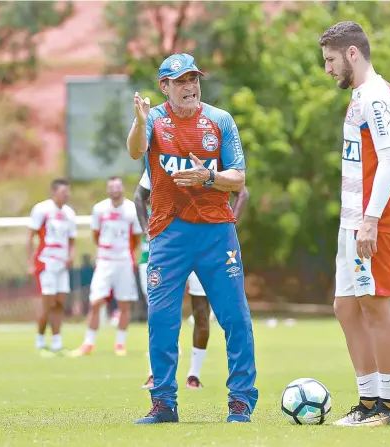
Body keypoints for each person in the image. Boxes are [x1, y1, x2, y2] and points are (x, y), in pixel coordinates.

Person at [127, 53, 257, 424]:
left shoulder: (220, 120)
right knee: (162, 319)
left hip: (217, 231)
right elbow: (136, 149)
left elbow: (239, 179)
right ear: (164, 87)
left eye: (193, 79)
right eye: (180, 81)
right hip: (169, 233)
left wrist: (209, 178)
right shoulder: (152, 119)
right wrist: (139, 122)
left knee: (234, 317)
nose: (190, 87)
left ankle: (241, 403)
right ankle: (164, 404)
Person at [319, 21, 390, 426]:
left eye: (331, 60)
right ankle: (368, 402)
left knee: (376, 309)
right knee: (346, 308)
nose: (328, 69)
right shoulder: (360, 96)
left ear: (352, 54)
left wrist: (370, 221)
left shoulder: (376, 96)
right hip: (353, 220)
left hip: (374, 221)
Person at [135, 168, 250, 390]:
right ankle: (155, 376)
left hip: (208, 245)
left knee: (202, 313)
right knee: (162, 314)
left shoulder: (213, 157)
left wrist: (229, 224)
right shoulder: (161, 157)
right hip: (170, 247)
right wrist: (147, 231)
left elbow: (242, 191)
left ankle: (194, 375)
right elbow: (139, 195)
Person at [70, 177, 142, 357]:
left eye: (117, 187)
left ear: (122, 188)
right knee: (95, 301)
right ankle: (89, 343)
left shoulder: (131, 209)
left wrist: (126, 253)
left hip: (124, 259)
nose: (115, 190)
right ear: (108, 189)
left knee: (124, 303)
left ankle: (120, 343)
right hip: (104, 260)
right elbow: (96, 234)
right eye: (111, 187)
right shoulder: (99, 209)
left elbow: (136, 238)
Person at [27, 179, 77, 355]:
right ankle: (40, 341)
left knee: (60, 303)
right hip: (46, 262)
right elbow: (30, 237)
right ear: (54, 192)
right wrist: (30, 263)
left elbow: (72, 240)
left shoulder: (70, 214)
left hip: (62, 264)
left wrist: (71, 256)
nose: (67, 195)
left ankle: (57, 342)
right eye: (64, 192)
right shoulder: (42, 210)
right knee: (47, 303)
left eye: (68, 192)